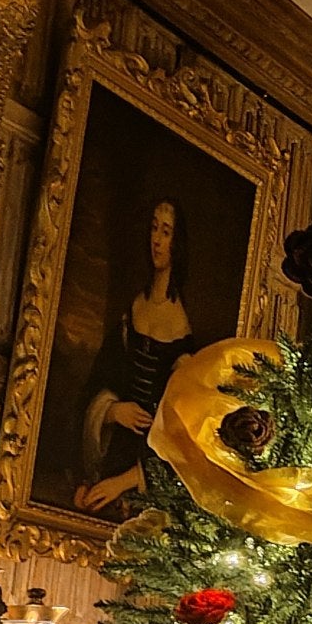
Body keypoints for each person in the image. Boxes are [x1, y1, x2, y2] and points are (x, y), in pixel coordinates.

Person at [73, 199, 200, 513]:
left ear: (178, 242)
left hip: (146, 464)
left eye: (166, 232)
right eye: (154, 228)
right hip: (112, 444)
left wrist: (123, 482)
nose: (156, 239)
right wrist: (114, 411)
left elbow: (181, 434)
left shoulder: (184, 329)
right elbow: (100, 378)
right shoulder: (133, 308)